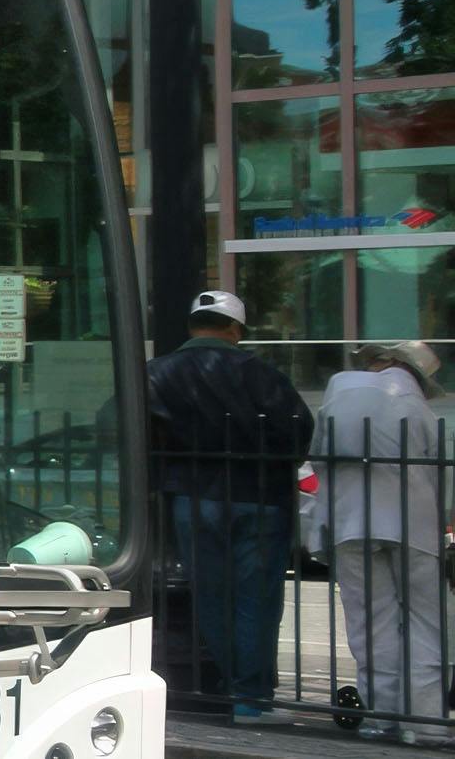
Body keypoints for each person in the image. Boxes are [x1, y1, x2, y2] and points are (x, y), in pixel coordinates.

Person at [147, 290, 312, 726]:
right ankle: (251, 698)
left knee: (212, 596)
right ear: (235, 329)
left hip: (192, 496)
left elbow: (131, 429)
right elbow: (298, 432)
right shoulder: (264, 375)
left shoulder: (155, 374)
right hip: (260, 498)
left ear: (193, 326)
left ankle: (233, 692)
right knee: (256, 600)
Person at [311, 341, 445, 744]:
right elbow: (438, 472)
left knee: (371, 623)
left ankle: (380, 716)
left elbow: (319, 459)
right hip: (413, 525)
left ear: (387, 361)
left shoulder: (339, 393)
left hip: (351, 521)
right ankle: (425, 723)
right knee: (425, 623)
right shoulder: (416, 405)